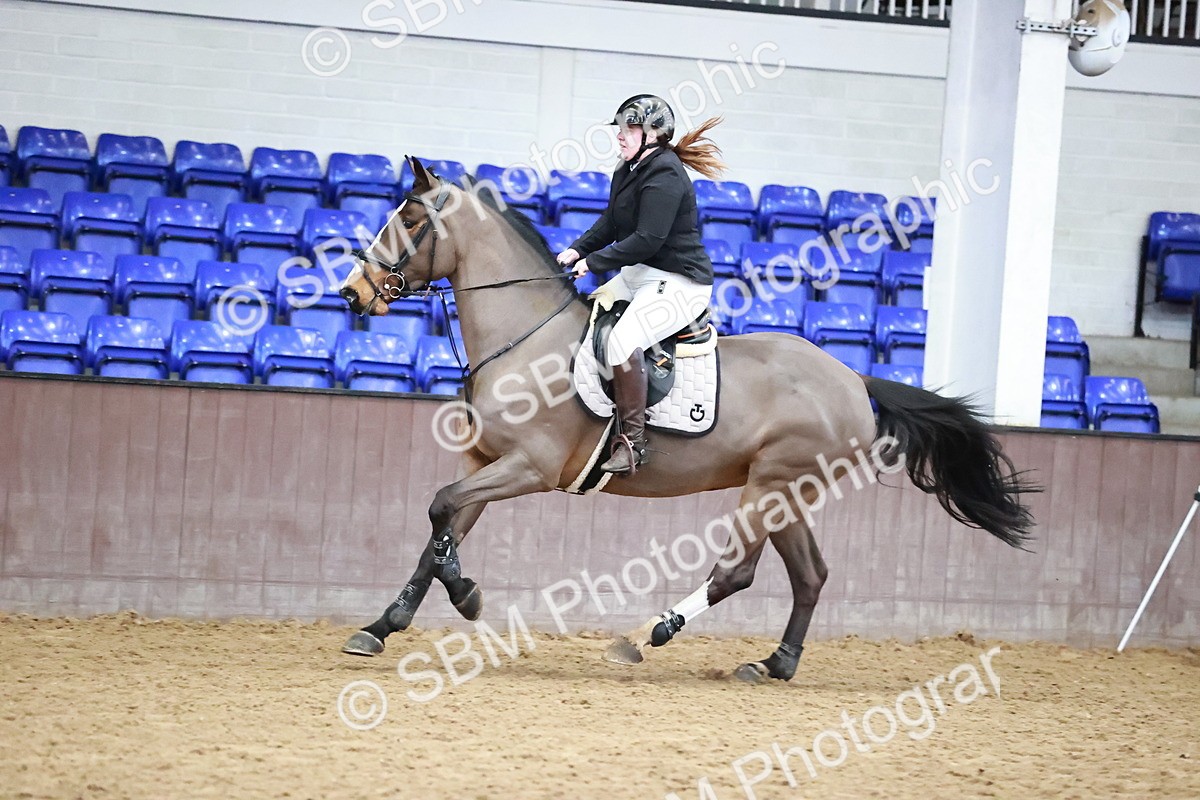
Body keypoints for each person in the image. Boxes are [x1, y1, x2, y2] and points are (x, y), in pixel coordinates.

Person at [556, 94, 727, 476]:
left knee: (621, 341)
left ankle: (633, 442)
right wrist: (575, 250)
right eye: (620, 128)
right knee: (588, 315)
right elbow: (611, 224)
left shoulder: (665, 174)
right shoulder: (628, 167)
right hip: (641, 275)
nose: (620, 135)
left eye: (629, 128)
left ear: (654, 135)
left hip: (680, 282)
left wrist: (594, 262)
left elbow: (647, 239)